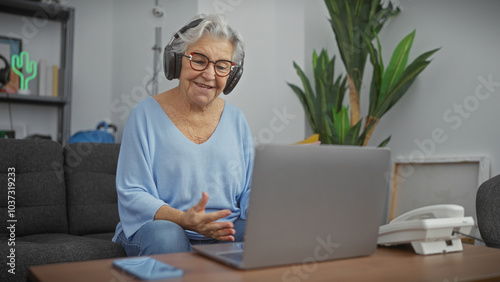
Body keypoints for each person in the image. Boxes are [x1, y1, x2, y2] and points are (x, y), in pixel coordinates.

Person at [112, 14, 254, 256]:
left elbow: (250, 190)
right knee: (167, 236)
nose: (209, 75)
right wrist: (184, 219)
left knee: (265, 231)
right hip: (163, 226)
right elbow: (133, 193)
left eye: (221, 66)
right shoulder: (144, 115)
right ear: (176, 62)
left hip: (223, 230)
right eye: (199, 60)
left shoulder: (238, 120)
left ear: (231, 75)